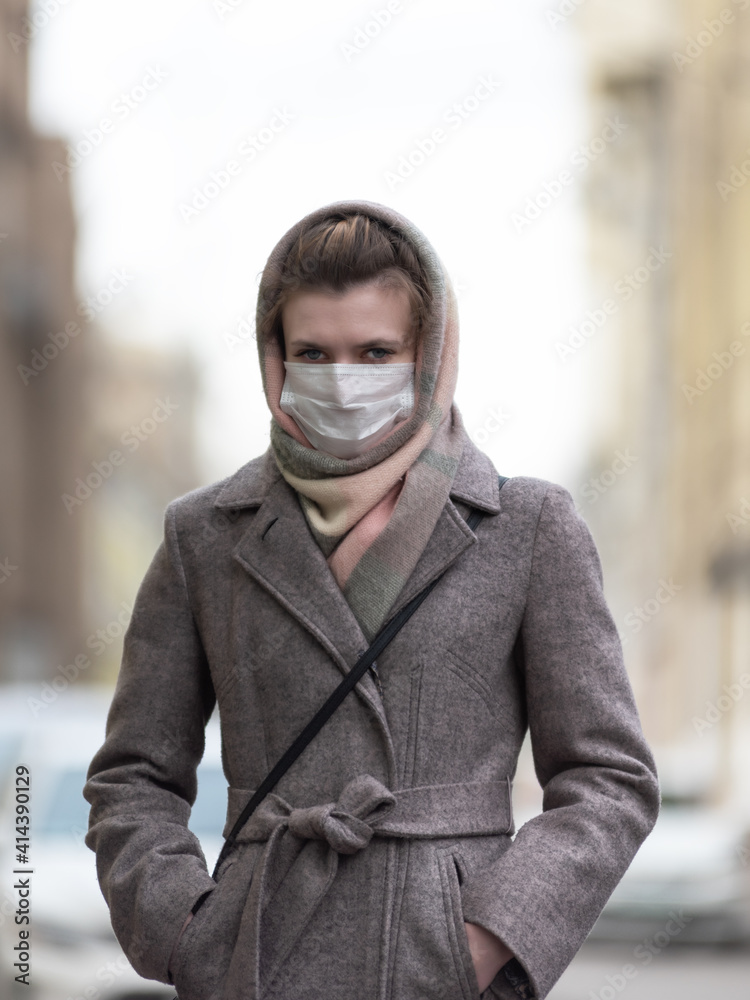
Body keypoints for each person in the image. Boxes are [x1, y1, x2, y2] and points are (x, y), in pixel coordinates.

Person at [84, 199, 660, 1000]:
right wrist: (188, 933)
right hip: (257, 955)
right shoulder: (204, 536)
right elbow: (134, 775)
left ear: (426, 355)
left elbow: (609, 777)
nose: (343, 381)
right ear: (274, 358)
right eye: (313, 352)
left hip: (440, 966)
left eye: (375, 351)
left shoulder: (528, 528)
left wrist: (489, 940)